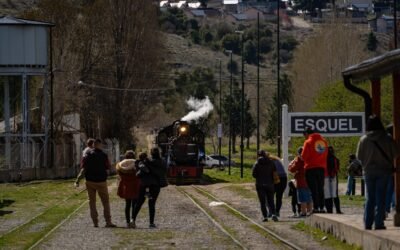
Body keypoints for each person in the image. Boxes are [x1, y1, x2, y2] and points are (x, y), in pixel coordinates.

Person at [357, 115, 398, 230]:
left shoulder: (363, 139)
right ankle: (379, 223)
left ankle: (368, 223)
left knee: (370, 197)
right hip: (384, 171)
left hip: (369, 172)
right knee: (381, 197)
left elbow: (359, 156)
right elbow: (396, 153)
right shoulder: (387, 138)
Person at [80, 139, 116, 228]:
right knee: (105, 202)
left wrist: (78, 179)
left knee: (92, 202)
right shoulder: (104, 155)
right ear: (100, 145)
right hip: (101, 181)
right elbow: (108, 169)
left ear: (93, 145)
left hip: (90, 181)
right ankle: (108, 221)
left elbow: (83, 168)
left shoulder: (87, 155)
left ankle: (95, 222)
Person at [132, 148, 166, 228]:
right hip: (155, 186)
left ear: (151, 154)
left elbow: (140, 173)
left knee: (139, 203)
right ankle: (151, 223)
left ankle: (132, 220)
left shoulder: (147, 162)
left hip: (145, 184)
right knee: (152, 204)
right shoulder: (162, 163)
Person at [302, 127, 328, 213]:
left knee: (313, 189)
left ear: (307, 133)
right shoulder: (324, 141)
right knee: (320, 188)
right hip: (321, 168)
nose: (304, 137)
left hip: (310, 168)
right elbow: (326, 154)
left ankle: (316, 207)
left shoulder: (308, 142)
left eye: (304, 135)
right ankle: (322, 207)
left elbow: (303, 156)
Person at [116, 150, 141, 228]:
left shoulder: (120, 165)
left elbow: (119, 174)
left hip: (126, 186)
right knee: (134, 204)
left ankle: (127, 222)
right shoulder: (136, 163)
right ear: (133, 156)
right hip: (135, 185)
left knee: (127, 204)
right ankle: (133, 221)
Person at [252, 150, 278, 222]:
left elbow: (254, 175)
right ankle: (273, 214)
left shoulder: (257, 163)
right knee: (271, 200)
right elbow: (275, 172)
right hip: (270, 184)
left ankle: (265, 216)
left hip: (260, 184)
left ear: (258, 155)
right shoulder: (271, 162)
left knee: (262, 201)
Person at [288, 147, 313, 217]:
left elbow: (292, 169)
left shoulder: (298, 160)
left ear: (299, 153)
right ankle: (310, 211)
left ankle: (303, 212)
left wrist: (291, 165)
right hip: (309, 181)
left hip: (301, 181)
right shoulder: (310, 159)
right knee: (309, 198)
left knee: (302, 198)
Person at [325, 146, 340, 213]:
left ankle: (329, 210)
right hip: (333, 176)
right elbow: (337, 168)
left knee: (327, 194)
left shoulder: (324, 158)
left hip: (326, 176)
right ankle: (338, 210)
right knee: (335, 194)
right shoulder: (335, 158)